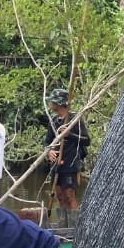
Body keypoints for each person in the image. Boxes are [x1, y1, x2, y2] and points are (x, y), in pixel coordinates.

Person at [44, 89, 89, 227]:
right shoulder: (54, 120)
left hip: (71, 164)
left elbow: (87, 140)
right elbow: (47, 141)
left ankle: (75, 228)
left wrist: (70, 134)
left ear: (59, 102)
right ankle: (63, 226)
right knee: (60, 196)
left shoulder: (75, 119)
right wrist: (49, 151)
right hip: (57, 165)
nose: (51, 103)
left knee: (70, 196)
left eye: (53, 101)